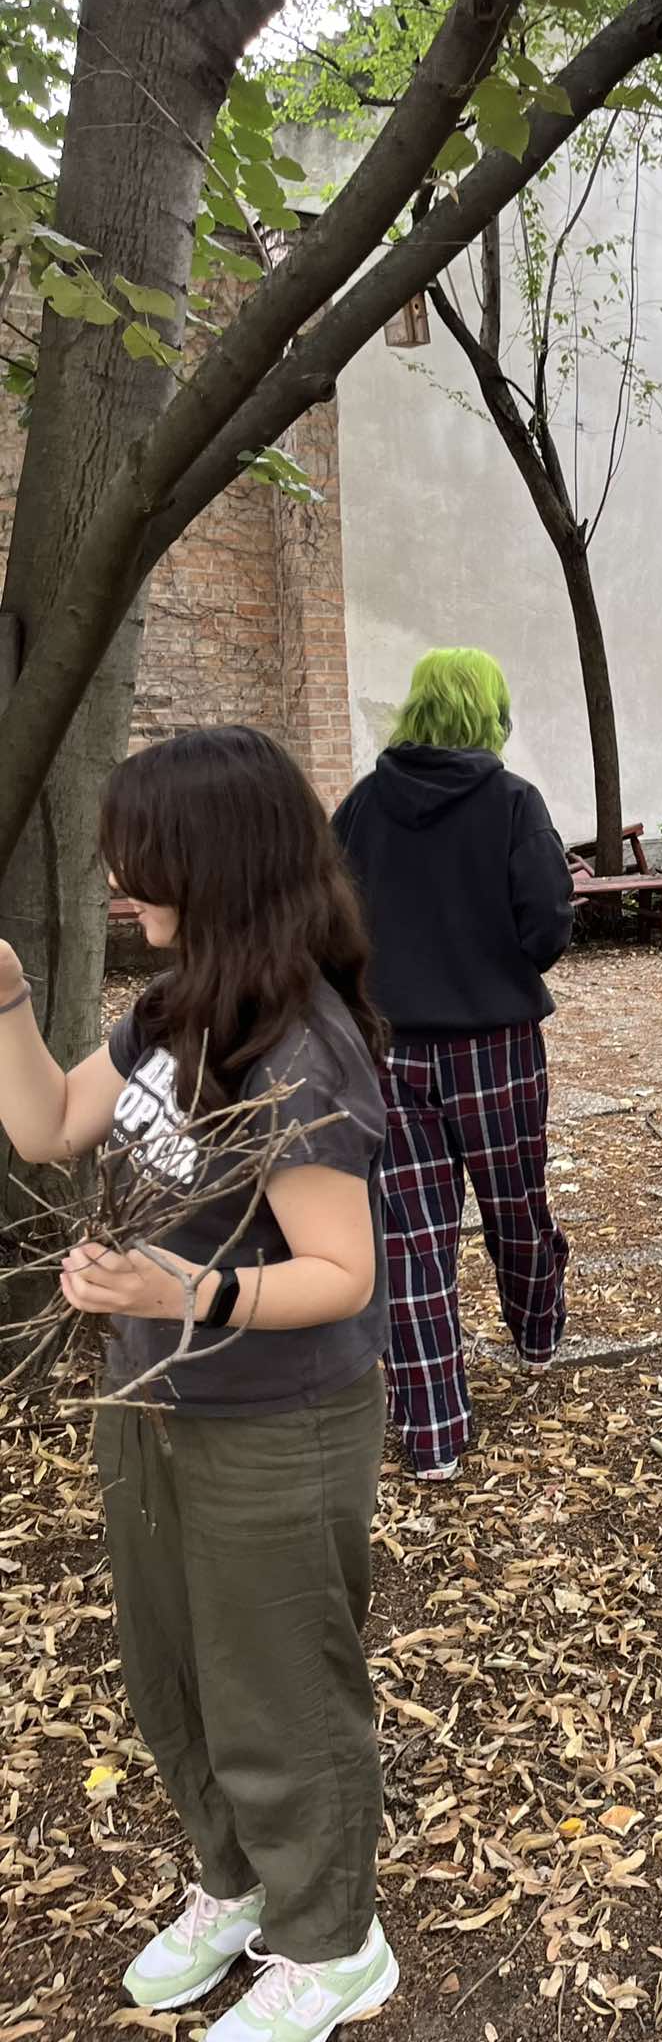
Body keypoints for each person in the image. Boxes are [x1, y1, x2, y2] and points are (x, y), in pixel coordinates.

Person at [0, 727, 396, 2039]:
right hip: (152, 1398)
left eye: (142, 858)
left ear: (217, 866)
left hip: (277, 1420)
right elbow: (50, 1124)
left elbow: (342, 1270)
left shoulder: (300, 1050)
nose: (119, 883)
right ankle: (237, 1880)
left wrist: (186, 1292)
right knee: (173, 1669)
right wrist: (8, 997)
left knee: (282, 1683)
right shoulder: (176, 1008)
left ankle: (334, 1942)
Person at [332, 647, 574, 1482]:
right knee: (516, 1202)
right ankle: (537, 1332)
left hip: (388, 1047)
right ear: (490, 714)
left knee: (409, 1236)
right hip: (494, 1043)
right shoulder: (512, 802)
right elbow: (547, 921)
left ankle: (433, 1432)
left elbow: (326, 915)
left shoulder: (362, 806)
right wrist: (500, 962)